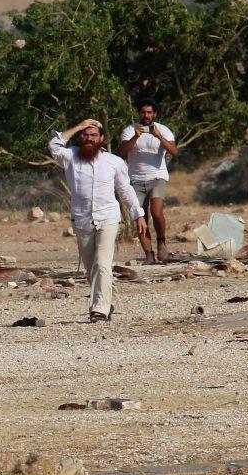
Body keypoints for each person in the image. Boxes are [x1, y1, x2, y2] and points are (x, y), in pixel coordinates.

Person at [49, 120, 148, 323]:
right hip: (82, 220)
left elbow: (125, 189)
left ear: (102, 138)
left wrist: (138, 214)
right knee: (91, 268)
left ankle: (99, 310)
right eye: (85, 135)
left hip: (108, 218)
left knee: (102, 263)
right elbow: (54, 145)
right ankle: (106, 300)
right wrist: (79, 125)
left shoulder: (114, 162)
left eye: (93, 135)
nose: (89, 138)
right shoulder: (71, 157)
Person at [118, 99, 178, 263]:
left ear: (155, 114)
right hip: (136, 179)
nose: (146, 116)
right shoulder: (129, 130)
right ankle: (149, 255)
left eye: (149, 112)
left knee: (156, 212)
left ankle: (161, 242)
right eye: (143, 112)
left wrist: (159, 136)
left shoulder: (163, 130)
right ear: (139, 113)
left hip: (157, 176)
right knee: (140, 216)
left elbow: (174, 151)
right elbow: (122, 150)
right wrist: (135, 138)